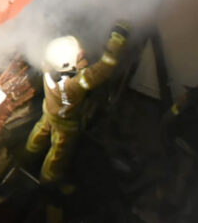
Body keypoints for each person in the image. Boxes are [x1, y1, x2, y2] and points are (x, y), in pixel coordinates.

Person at [24, 23, 129, 187]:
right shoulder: (76, 83)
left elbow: (61, 55)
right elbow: (103, 69)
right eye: (79, 55)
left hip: (50, 111)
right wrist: (116, 43)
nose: (82, 53)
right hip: (65, 123)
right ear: (68, 65)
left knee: (40, 131)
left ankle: (28, 155)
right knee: (59, 153)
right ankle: (48, 182)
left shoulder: (48, 64)